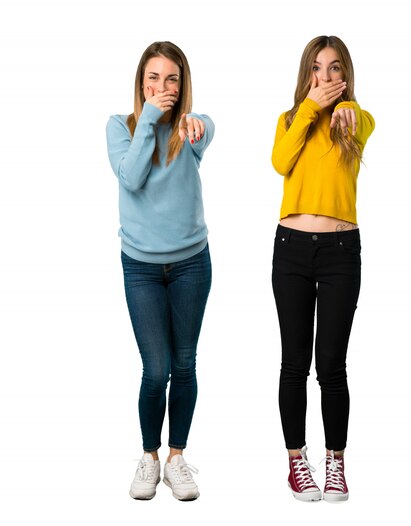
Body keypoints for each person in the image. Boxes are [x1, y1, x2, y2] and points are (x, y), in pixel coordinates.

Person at [106, 41, 214, 501]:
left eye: (172, 78)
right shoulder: (121, 127)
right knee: (157, 368)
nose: (162, 87)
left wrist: (196, 123)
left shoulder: (192, 128)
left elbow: (207, 127)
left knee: (185, 364)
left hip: (192, 263)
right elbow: (130, 177)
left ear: (182, 84)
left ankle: (176, 459)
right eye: (154, 77)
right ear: (141, 82)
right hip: (142, 269)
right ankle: (148, 457)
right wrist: (150, 116)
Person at [271, 35, 374, 502]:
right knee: (294, 362)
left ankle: (335, 462)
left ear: (346, 74)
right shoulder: (290, 120)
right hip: (291, 247)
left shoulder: (358, 119)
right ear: (307, 74)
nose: (326, 77)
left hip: (339, 252)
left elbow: (355, 126)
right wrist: (310, 107)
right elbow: (280, 162)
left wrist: (341, 112)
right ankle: (297, 462)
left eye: (335, 68)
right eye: (318, 68)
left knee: (332, 365)